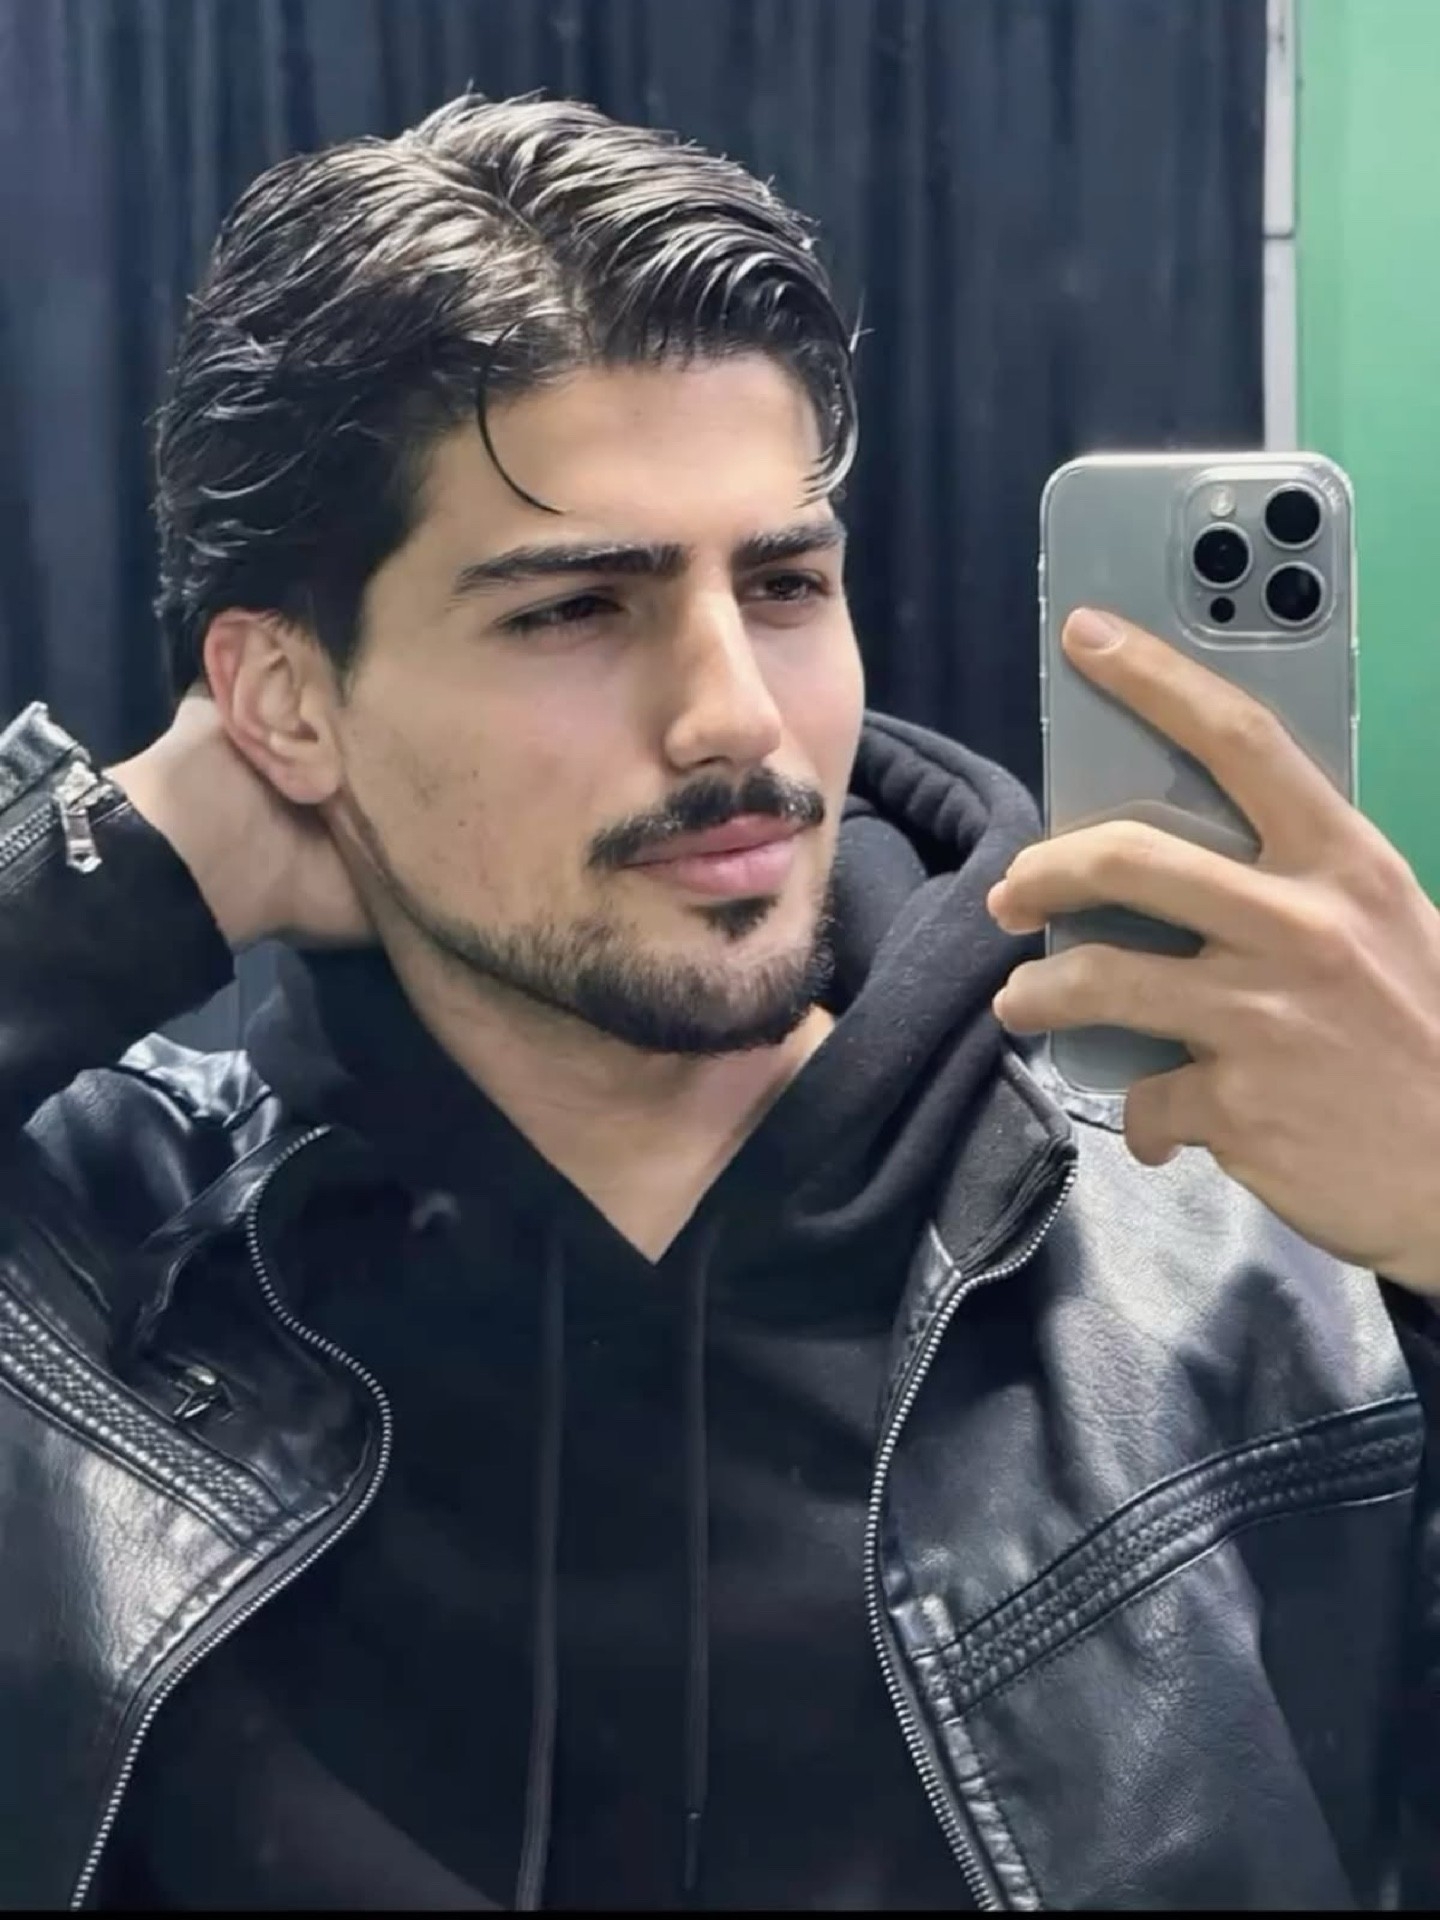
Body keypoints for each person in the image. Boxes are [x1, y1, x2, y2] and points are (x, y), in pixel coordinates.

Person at [1, 91, 1439, 1914]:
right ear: (287, 702)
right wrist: (119, 869)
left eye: (782, 584)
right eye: (573, 610)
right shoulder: (104, 1281)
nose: (737, 718)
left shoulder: (1249, 1233)